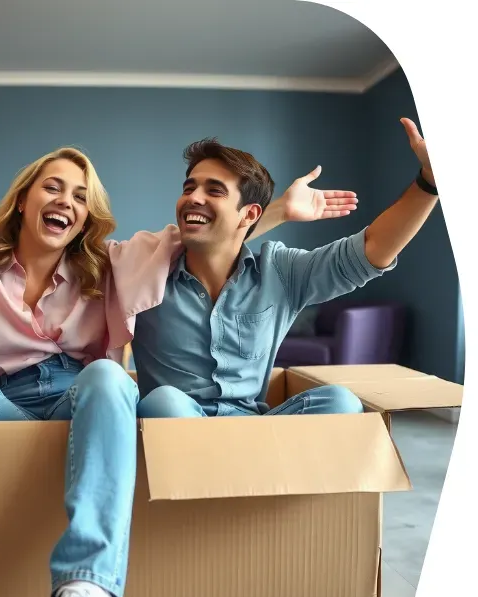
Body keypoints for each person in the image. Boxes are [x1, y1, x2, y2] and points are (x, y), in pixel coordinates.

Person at [0, 146, 357, 597]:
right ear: (23, 200)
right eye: (53, 188)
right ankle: (29, 450)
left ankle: (89, 587)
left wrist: (280, 213)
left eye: (80, 197)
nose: (67, 202)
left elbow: (206, 239)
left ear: (84, 219)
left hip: (72, 404)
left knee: (109, 375)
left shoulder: (106, 269)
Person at [116, 118, 439, 421]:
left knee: (341, 402)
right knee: (164, 400)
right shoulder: (146, 268)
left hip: (254, 427)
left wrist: (429, 183)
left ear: (250, 213)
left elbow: (371, 251)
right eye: (189, 188)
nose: (193, 198)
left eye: (213, 190)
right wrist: (281, 210)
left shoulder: (280, 272)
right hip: (174, 427)